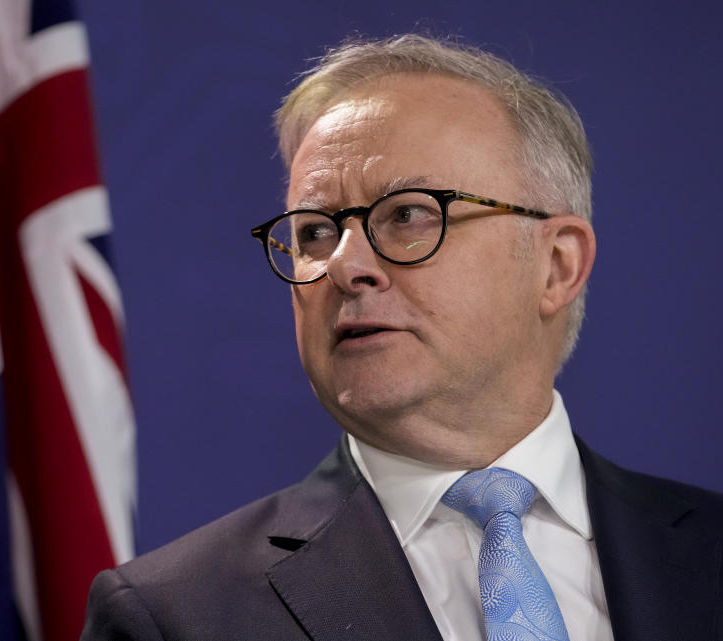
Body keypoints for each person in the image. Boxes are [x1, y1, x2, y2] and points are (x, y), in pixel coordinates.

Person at [81, 34, 723, 641]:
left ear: (556, 266)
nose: (345, 265)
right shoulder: (174, 616)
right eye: (314, 232)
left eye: (409, 215)